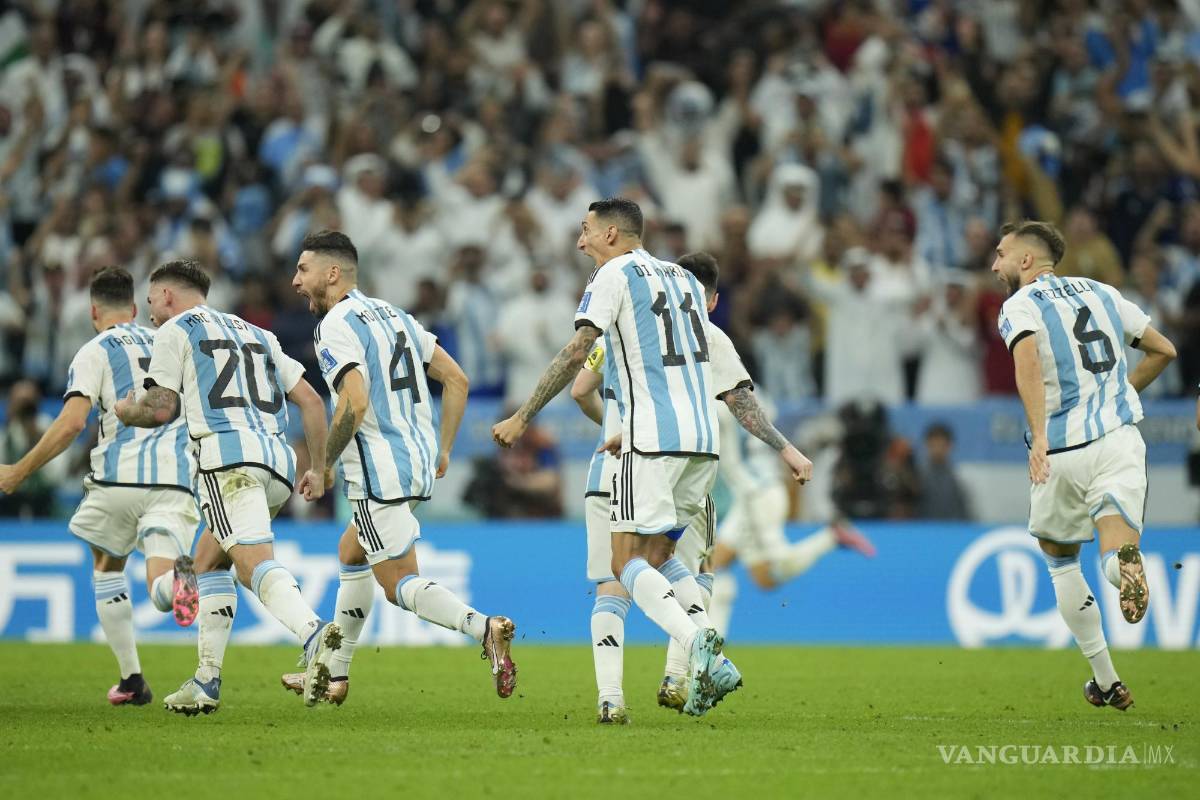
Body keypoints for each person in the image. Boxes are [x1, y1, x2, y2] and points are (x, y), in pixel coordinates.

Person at [497, 198, 812, 717]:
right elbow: (730, 389)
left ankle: (696, 648)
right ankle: (700, 641)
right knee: (663, 557)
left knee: (623, 564)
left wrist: (523, 415)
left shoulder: (612, 276)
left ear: (614, 235)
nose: (580, 243)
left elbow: (580, 356)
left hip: (651, 441)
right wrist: (788, 450)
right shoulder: (686, 282)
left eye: (586, 232)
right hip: (702, 443)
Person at [285, 230, 516, 704]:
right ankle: (335, 673)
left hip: (375, 469)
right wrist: (444, 449)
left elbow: (354, 401)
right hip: (411, 463)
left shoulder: (334, 326)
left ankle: (484, 628)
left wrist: (323, 466)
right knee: (352, 552)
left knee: (396, 584)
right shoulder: (397, 317)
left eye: (303, 269)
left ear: (333, 273)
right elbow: (457, 379)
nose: (295, 281)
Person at [114, 259, 338, 714]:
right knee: (211, 563)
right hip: (277, 464)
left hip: (226, 462)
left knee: (252, 564)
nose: (149, 310)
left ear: (169, 297)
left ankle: (313, 633)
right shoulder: (258, 332)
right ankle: (206, 680)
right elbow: (312, 401)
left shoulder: (174, 331)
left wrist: (127, 409)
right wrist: (320, 467)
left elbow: (161, 406)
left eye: (152, 299)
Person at [656, 252, 871, 706]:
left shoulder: (718, 399)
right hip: (760, 492)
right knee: (760, 577)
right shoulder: (755, 395)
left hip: (754, 494)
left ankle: (703, 664)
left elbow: (725, 456)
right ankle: (829, 540)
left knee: (711, 569)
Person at [993, 220, 1177, 712]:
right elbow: (1164, 350)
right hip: (1118, 440)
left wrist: (1039, 438)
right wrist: (1119, 396)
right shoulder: (1103, 292)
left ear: (1027, 261)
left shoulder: (1019, 306)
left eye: (1002, 254)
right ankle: (1124, 569)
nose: (995, 265)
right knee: (1115, 550)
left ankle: (1107, 677)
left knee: (1060, 561)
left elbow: (1027, 364)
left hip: (1061, 454)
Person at [0, 266, 200, 706]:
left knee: (107, 566)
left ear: (94, 311)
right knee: (160, 581)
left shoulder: (94, 350)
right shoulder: (171, 341)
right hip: (176, 478)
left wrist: (18, 470)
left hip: (117, 479)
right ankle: (180, 584)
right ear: (134, 308)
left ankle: (132, 679)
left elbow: (73, 423)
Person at [917, 423, 972, 520]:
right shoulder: (918, 476)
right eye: (934, 445)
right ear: (927, 444)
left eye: (941, 445)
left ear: (949, 446)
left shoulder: (959, 478)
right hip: (922, 529)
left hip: (951, 530)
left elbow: (965, 512)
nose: (937, 449)